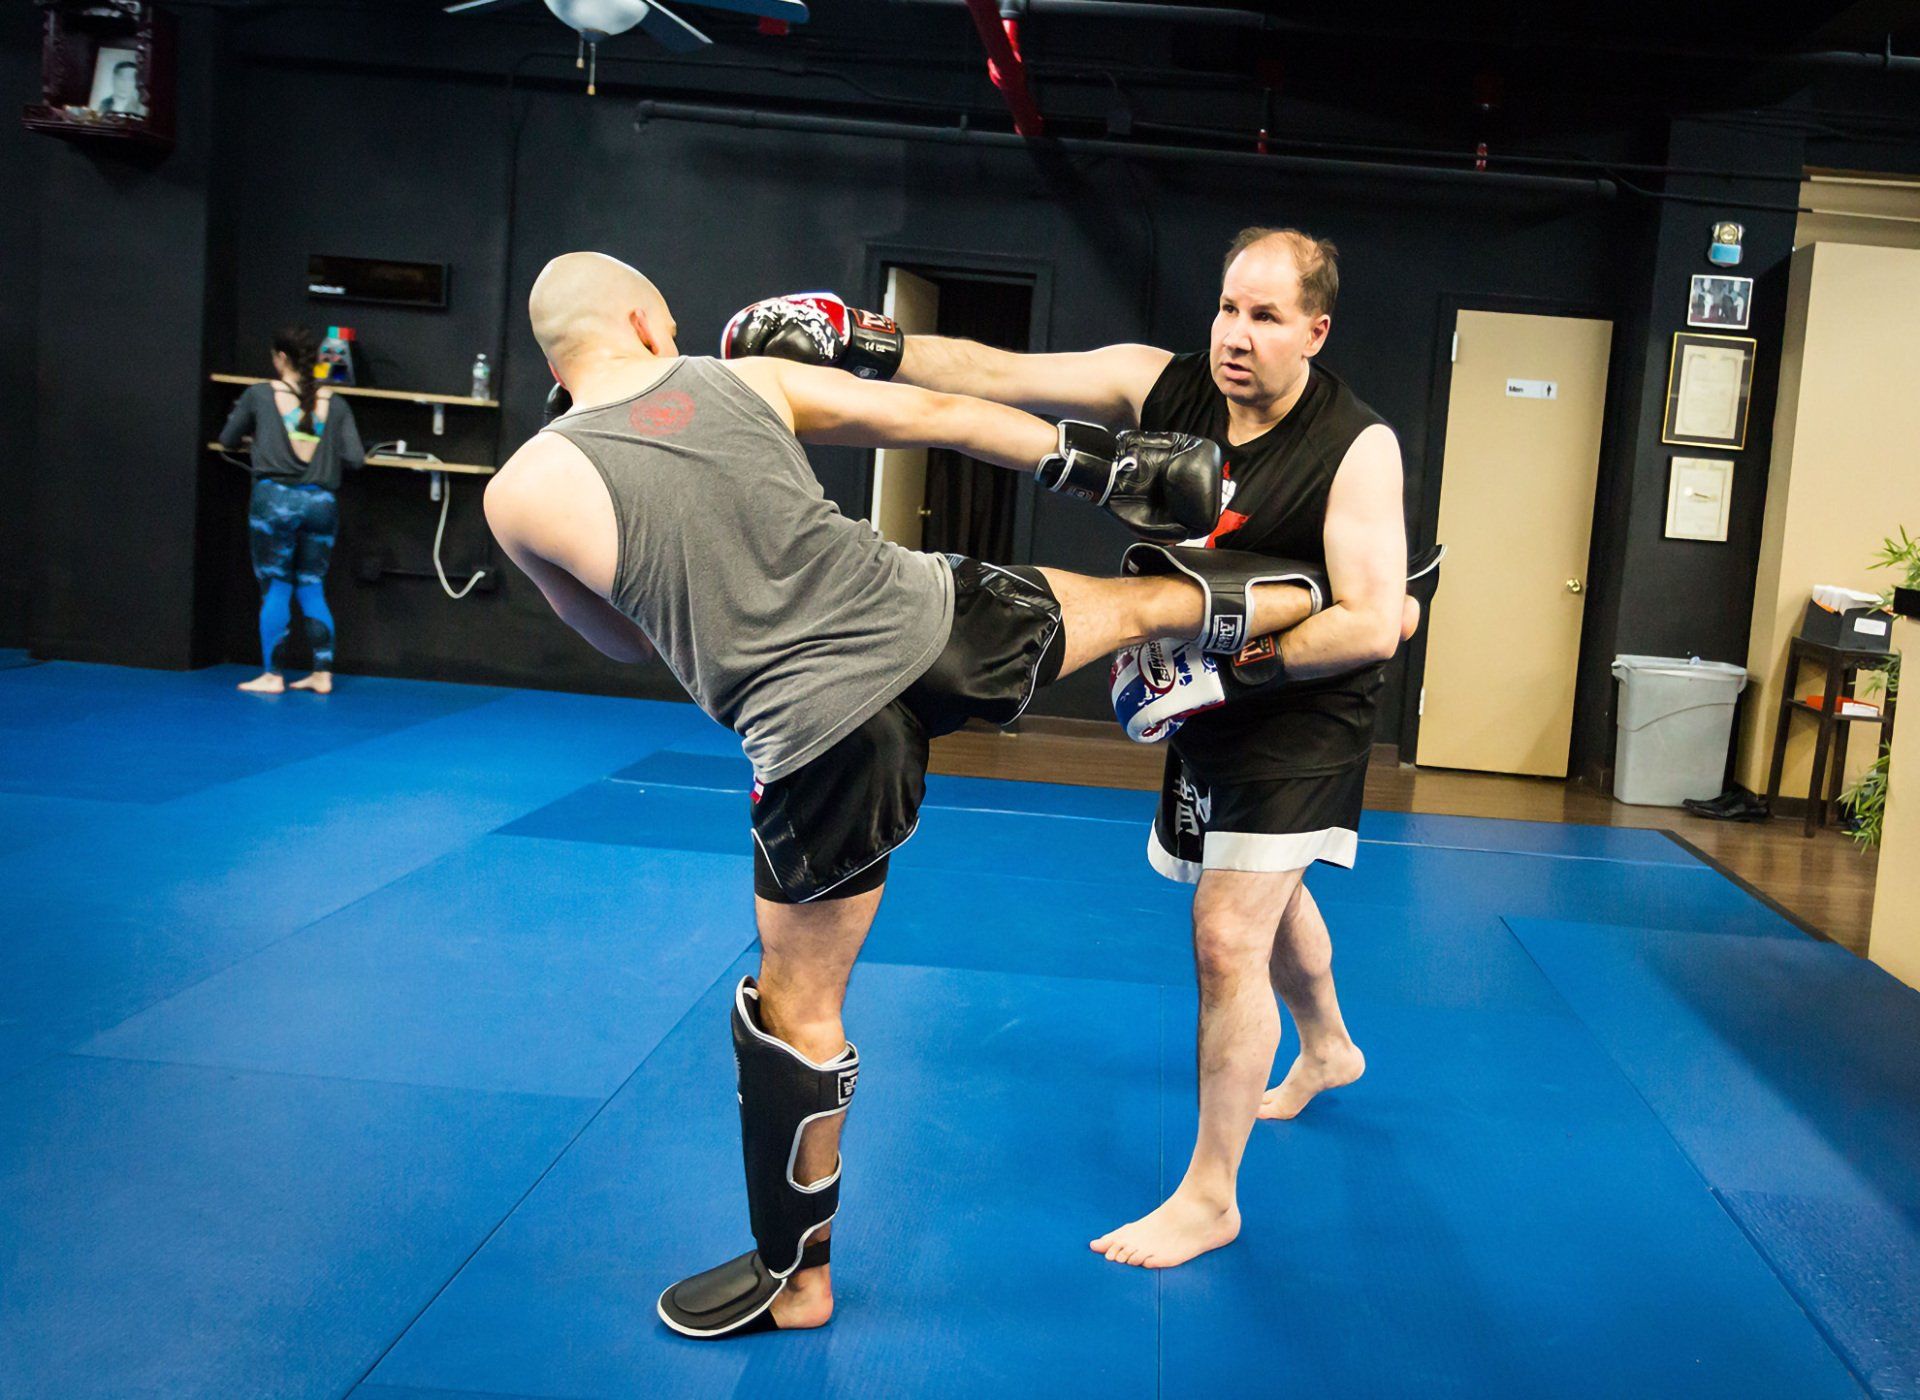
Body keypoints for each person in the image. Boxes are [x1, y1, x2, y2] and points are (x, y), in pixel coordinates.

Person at [485, 252, 1348, 1339]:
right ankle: (1325, 595)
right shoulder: (739, 379)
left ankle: (797, 1281)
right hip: (942, 617)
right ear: (648, 320)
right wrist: (1113, 468)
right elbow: (942, 412)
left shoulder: (519, 489)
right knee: (1138, 608)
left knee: (791, 1014)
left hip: (823, 736)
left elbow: (618, 638)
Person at [725, 226, 1417, 1270]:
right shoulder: (1163, 385)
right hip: (1203, 684)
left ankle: (1211, 1195)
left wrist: (1229, 668)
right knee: (1275, 888)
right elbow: (998, 372)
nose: (1237, 334)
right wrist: (868, 343)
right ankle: (1328, 1044)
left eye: (1267, 317)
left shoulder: (1357, 445)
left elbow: (1375, 620)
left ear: (1315, 330)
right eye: (1229, 307)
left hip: (1301, 701)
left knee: (1230, 931)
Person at [217, 326, 365, 695]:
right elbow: (355, 458)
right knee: (312, 585)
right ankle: (322, 674)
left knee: (277, 585)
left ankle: (272, 675)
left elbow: (227, 440)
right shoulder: (336, 402)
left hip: (274, 503)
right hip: (321, 505)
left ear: (281, 358)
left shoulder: (259, 395)